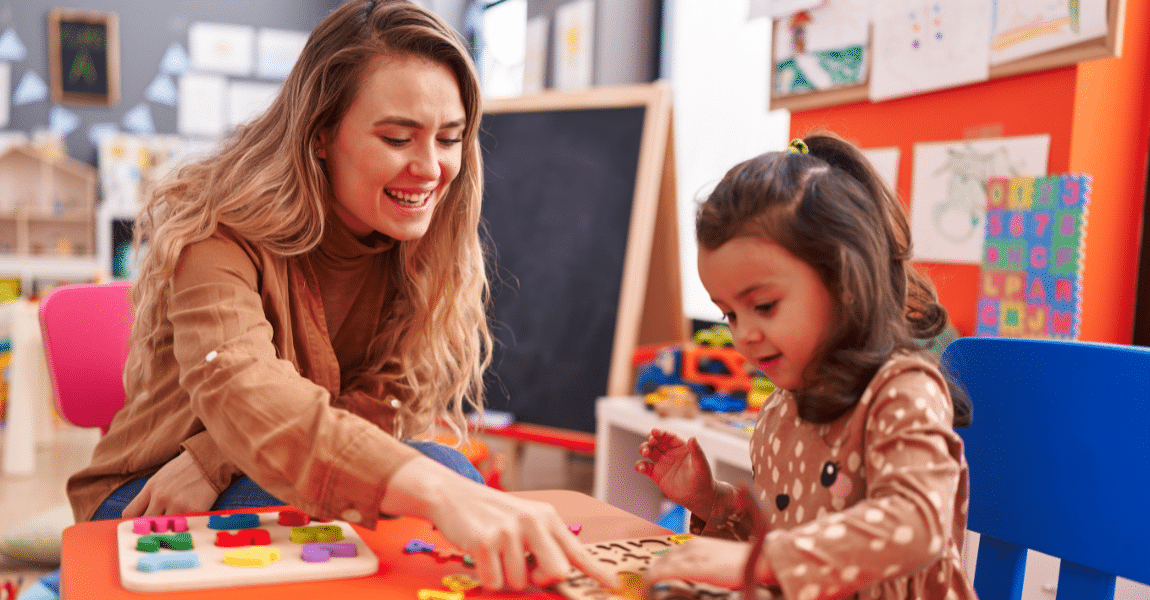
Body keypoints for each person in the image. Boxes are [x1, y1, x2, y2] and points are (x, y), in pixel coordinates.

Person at [44, 1, 616, 596]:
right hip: (148, 492)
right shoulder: (217, 234)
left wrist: (216, 456)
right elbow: (242, 388)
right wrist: (224, 455)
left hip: (252, 472)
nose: (430, 168)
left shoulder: (412, 244)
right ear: (320, 135)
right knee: (438, 477)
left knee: (431, 492)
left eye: (450, 139)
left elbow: (374, 404)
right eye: (398, 137)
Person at [635, 133, 977, 600]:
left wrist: (766, 560)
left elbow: (917, 523)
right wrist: (710, 499)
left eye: (765, 305)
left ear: (843, 281)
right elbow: (785, 540)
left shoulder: (903, 391)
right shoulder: (780, 409)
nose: (744, 334)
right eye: (729, 314)